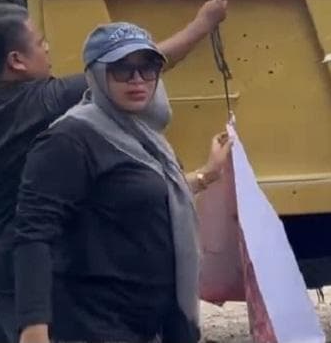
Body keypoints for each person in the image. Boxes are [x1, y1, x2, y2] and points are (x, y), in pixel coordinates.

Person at [0, 0, 228, 343]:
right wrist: (201, 24)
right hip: (19, 277)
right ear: (16, 61)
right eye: (40, 43)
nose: (48, 48)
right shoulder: (49, 101)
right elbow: (138, 59)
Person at [13, 22, 234, 343]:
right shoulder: (69, 139)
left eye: (149, 68)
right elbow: (33, 234)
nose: (137, 80)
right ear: (96, 75)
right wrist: (34, 326)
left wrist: (207, 175)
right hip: (96, 322)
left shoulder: (142, 135)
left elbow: (144, 199)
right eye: (122, 70)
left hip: (151, 320)